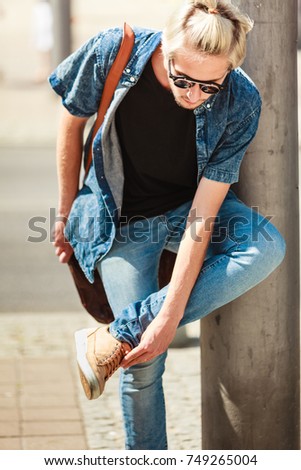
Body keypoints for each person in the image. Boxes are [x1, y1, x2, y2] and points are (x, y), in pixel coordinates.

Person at [49, 0, 286, 450]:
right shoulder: (112, 51)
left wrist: (164, 317)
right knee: (142, 365)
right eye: (183, 79)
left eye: (209, 86)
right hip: (118, 219)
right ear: (166, 47)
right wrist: (64, 212)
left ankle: (117, 335)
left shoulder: (241, 100)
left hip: (186, 208)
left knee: (267, 247)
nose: (194, 95)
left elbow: (203, 215)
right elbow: (70, 124)